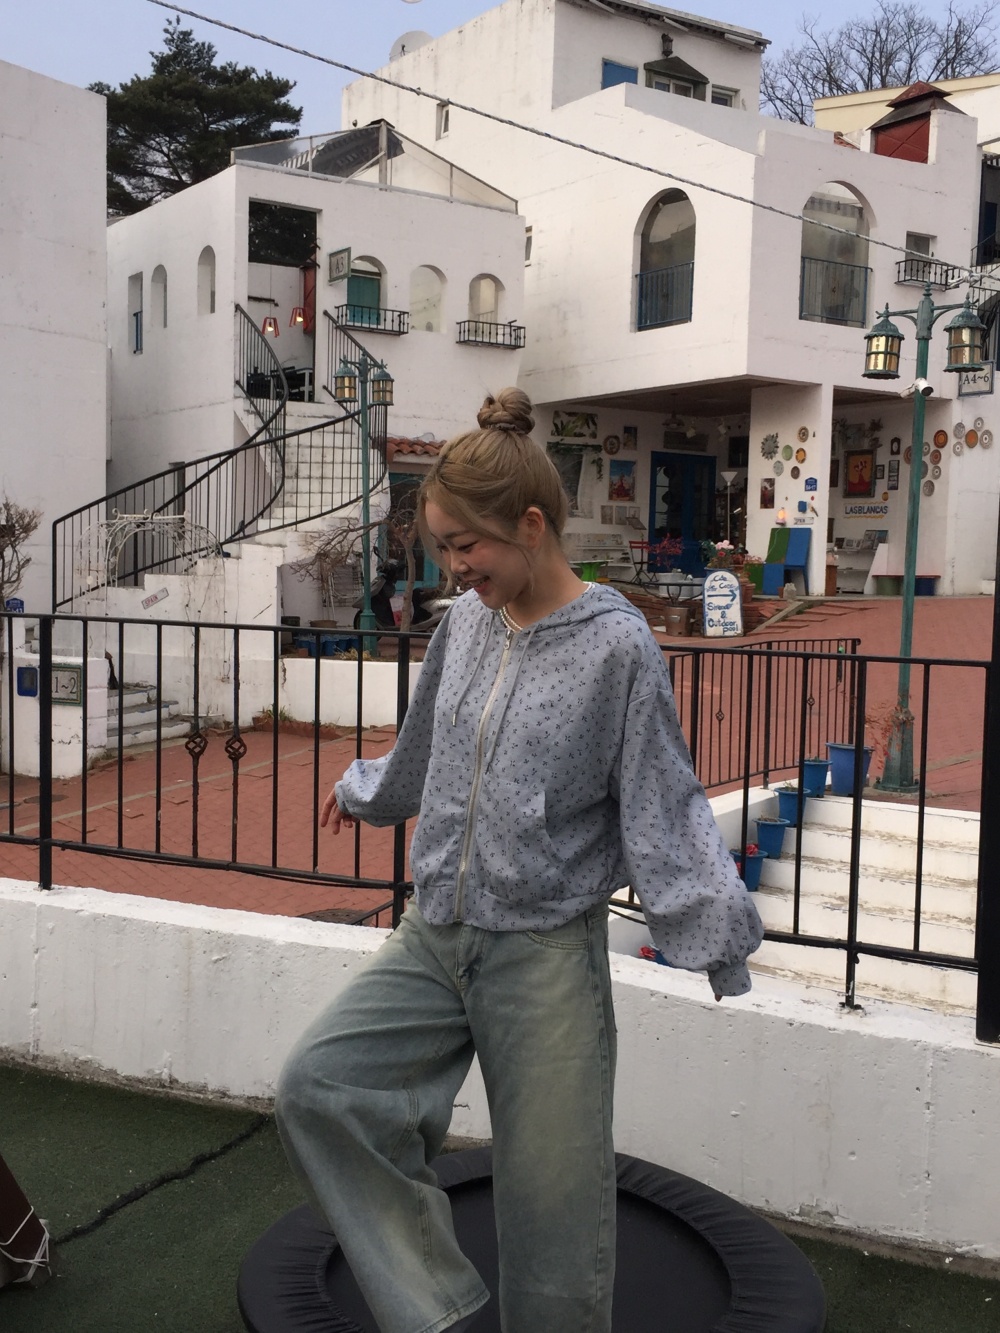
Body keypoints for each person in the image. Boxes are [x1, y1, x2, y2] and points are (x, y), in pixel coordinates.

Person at [275, 388, 764, 1333]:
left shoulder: (617, 645)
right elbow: (427, 742)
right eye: (442, 547)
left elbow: (661, 797)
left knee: (555, 1219)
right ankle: (438, 1306)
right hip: (435, 936)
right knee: (318, 1086)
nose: (454, 567)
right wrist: (367, 791)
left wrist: (714, 935)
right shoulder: (465, 625)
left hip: (543, 957)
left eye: (467, 545)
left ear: (531, 525)